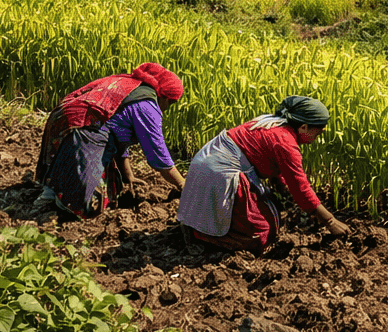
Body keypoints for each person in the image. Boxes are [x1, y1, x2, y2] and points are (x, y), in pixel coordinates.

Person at [177, 95, 351, 253]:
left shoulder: (272, 123)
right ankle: (201, 235)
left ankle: (199, 224)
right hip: (219, 173)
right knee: (261, 233)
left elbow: (279, 171)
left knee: (266, 211)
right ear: (304, 126)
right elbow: (300, 187)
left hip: (206, 163)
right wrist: (330, 221)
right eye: (317, 132)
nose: (317, 138)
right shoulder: (286, 143)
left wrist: (289, 198)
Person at [37, 62, 187, 219]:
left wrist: (127, 174)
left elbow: (118, 130)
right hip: (85, 128)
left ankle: (51, 190)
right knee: (89, 205)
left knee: (106, 180)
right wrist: (182, 184)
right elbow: (158, 155)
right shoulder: (147, 105)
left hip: (61, 119)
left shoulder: (128, 85)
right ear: (164, 95)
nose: (167, 108)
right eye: (170, 103)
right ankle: (66, 202)